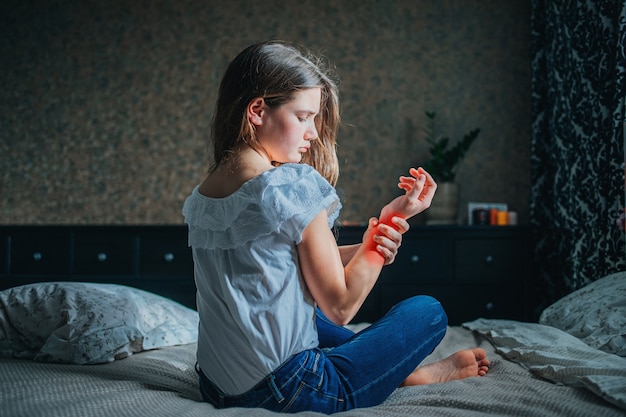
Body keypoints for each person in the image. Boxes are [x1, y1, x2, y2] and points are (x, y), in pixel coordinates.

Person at [182, 40, 489, 414]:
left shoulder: (203, 197)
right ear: (258, 110)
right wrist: (382, 239)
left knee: (303, 310)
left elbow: (279, 261)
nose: (312, 133)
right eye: (303, 116)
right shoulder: (291, 185)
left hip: (215, 386)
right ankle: (406, 374)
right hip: (293, 390)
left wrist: (374, 237)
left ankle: (387, 370)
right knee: (428, 311)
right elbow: (341, 306)